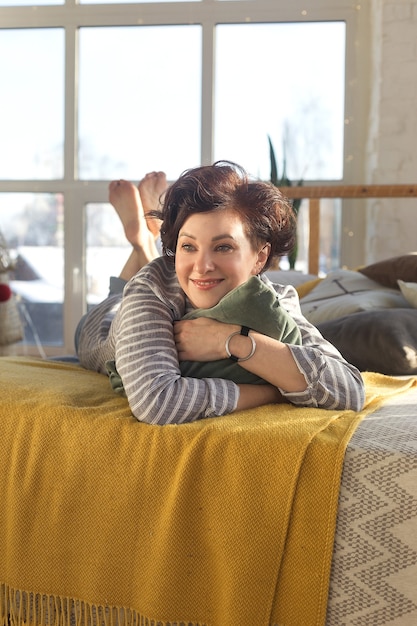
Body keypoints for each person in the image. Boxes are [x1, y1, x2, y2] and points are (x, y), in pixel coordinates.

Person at [76, 162, 365, 424]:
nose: (202, 266)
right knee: (122, 295)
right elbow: (157, 402)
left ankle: (150, 236)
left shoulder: (277, 299)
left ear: (259, 258)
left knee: (172, 272)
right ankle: (142, 242)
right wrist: (275, 392)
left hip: (167, 276)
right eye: (188, 246)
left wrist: (231, 342)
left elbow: (349, 390)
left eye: (223, 247)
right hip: (103, 326)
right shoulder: (149, 290)